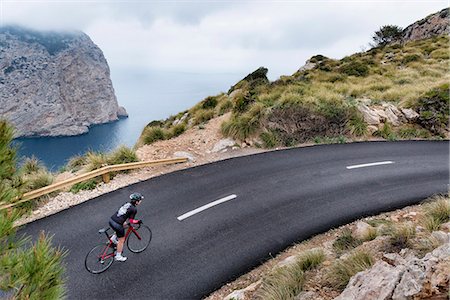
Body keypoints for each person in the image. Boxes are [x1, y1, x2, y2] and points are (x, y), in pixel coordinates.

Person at [109, 192, 144, 261]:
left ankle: (113, 238)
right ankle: (118, 256)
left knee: (123, 225)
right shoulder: (134, 209)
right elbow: (131, 221)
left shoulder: (127, 204)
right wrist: (138, 222)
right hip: (117, 224)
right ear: (136, 202)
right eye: (140, 200)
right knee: (121, 240)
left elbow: (123, 214)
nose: (141, 201)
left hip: (112, 220)